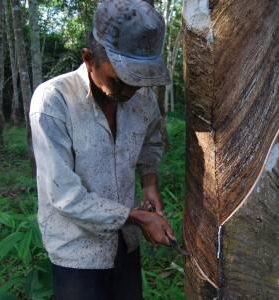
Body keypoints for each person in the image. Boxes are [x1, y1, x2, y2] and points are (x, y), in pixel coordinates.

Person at [29, 0, 175, 298]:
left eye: (137, 82)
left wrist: (149, 184)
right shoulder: (53, 101)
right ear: (88, 59)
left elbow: (151, 141)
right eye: (119, 80)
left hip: (126, 244)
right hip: (76, 253)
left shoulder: (142, 100)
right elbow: (64, 195)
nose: (129, 91)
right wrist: (138, 217)